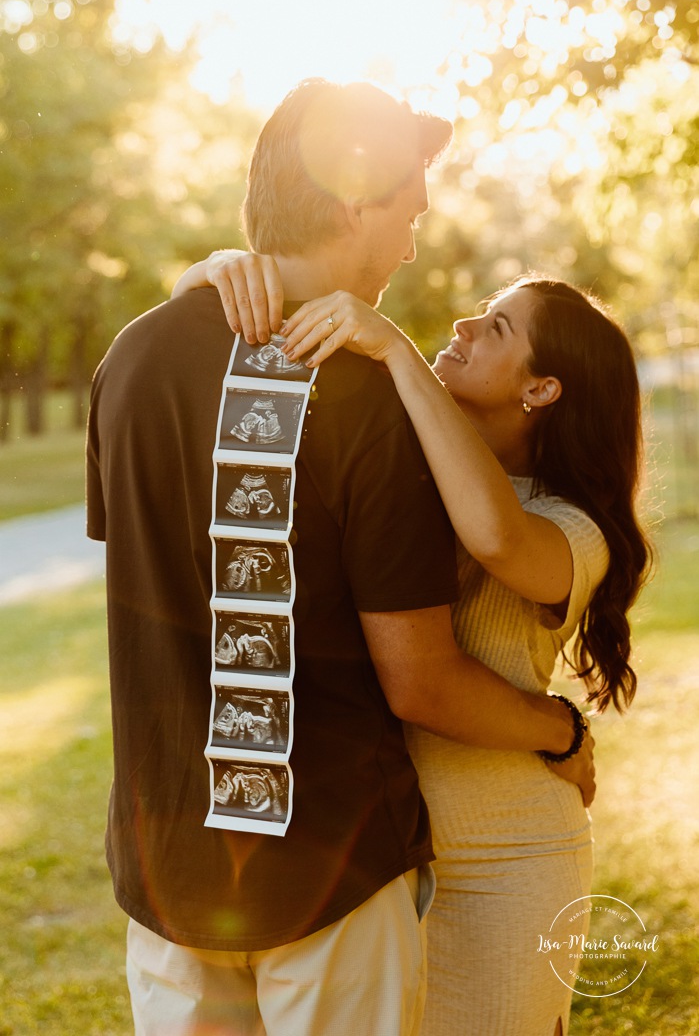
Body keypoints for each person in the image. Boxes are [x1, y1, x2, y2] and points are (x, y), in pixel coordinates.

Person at [88, 78, 593, 1036]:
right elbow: (417, 678)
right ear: (356, 196)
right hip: (330, 874)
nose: (410, 241)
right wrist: (564, 732)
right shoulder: (367, 400)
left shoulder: (132, 358)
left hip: (166, 873)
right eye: (408, 211)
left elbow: (140, 579)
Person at [174, 254, 651, 1035]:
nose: (462, 324)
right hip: (380, 861)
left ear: (541, 389)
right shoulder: (413, 468)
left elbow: (496, 537)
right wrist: (212, 275)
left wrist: (396, 349)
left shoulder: (574, 527)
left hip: (507, 864)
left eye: (495, 327)